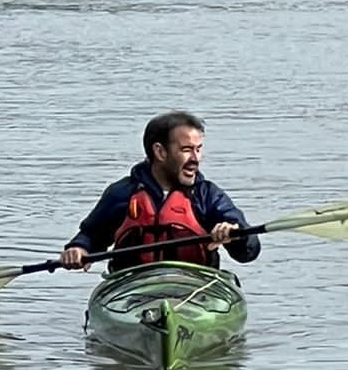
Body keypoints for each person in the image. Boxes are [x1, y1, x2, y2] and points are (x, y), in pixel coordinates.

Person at [60, 111, 261, 273]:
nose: (196, 158)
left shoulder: (207, 196)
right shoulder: (122, 193)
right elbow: (92, 235)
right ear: (160, 152)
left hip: (195, 290)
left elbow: (248, 252)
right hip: (132, 289)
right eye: (186, 150)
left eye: (198, 149)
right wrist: (78, 249)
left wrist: (236, 236)